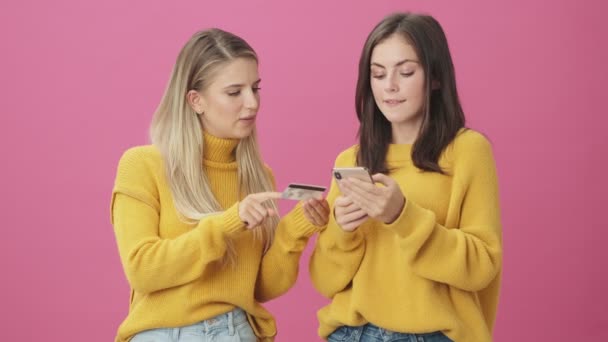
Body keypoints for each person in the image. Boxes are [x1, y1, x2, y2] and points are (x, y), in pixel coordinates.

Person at [111, 28, 329, 342]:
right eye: (234, 92)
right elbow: (143, 271)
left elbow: (260, 288)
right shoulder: (142, 165)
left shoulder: (258, 176)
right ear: (195, 100)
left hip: (238, 331)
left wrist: (296, 227)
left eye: (255, 88)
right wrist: (227, 223)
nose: (252, 103)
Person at [309, 13, 502, 342]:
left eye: (406, 71)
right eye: (378, 74)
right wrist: (341, 232)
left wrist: (402, 216)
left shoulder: (468, 151)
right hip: (350, 333)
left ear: (436, 77)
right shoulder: (351, 161)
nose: (390, 87)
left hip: (430, 335)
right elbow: (325, 281)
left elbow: (482, 266)